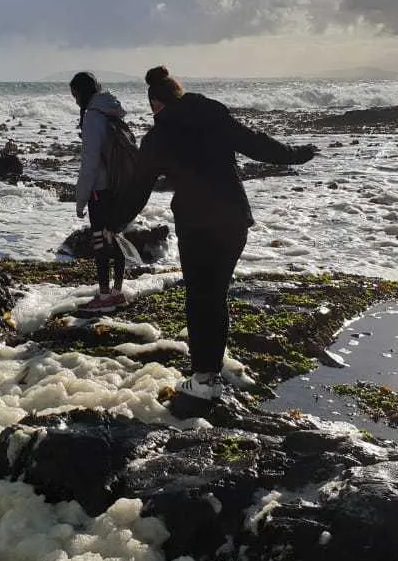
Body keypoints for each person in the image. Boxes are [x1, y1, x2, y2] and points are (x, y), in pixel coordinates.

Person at [116, 66, 317, 402]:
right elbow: (256, 144)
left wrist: (111, 223)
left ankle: (204, 380)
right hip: (234, 220)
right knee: (216, 295)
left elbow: (138, 190)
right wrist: (297, 155)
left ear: (155, 103)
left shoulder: (160, 136)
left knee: (199, 298)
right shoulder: (214, 113)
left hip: (197, 225)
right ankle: (212, 369)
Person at [69, 71, 130, 312]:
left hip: (100, 191)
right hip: (116, 186)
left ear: (82, 92)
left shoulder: (94, 116)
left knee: (100, 243)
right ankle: (116, 292)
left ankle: (104, 297)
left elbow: (90, 163)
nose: (74, 99)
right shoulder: (110, 111)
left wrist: (80, 199)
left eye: (74, 94)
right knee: (113, 238)